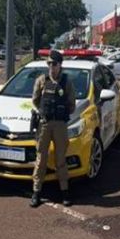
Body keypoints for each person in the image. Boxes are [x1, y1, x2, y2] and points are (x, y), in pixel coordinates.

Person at [30, 49, 76, 208]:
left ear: (60, 65)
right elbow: (35, 101)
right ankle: (36, 192)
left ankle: (65, 192)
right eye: (49, 63)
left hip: (60, 125)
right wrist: (46, 112)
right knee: (41, 158)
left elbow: (72, 105)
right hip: (44, 124)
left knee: (60, 159)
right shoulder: (41, 80)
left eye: (54, 63)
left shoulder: (67, 82)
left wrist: (60, 112)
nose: (51, 66)